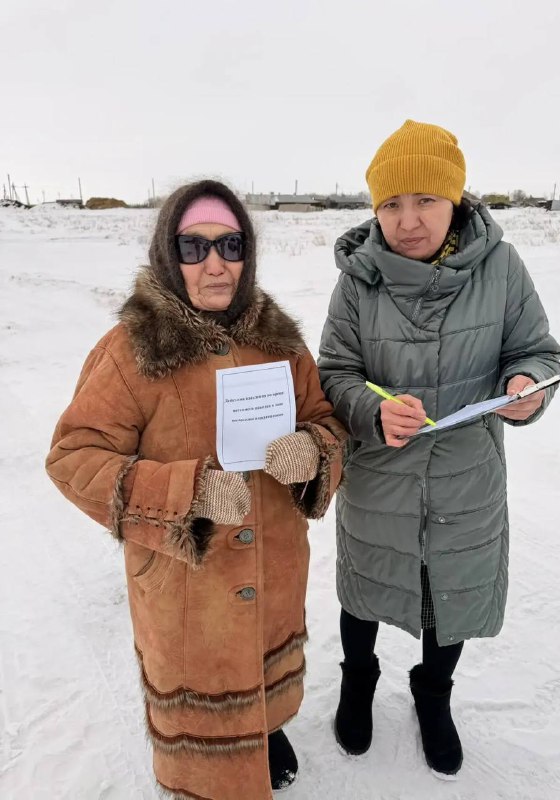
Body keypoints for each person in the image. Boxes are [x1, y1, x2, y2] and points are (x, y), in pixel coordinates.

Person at [46, 179, 345, 800]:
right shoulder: (132, 350)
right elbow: (74, 458)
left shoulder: (279, 341)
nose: (216, 264)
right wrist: (187, 494)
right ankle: (208, 767)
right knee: (203, 677)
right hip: (188, 583)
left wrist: (315, 450)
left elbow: (325, 418)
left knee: (264, 657)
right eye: (195, 247)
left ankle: (265, 727)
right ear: (169, 253)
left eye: (231, 246)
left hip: (274, 562)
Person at [318, 120, 560, 777]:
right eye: (390, 204)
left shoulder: (501, 267)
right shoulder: (357, 281)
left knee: (450, 590)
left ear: (454, 198)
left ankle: (433, 694)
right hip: (379, 474)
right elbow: (333, 374)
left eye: (425, 199)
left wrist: (526, 386)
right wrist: (371, 411)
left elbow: (534, 350)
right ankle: (358, 679)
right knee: (366, 583)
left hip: (466, 474)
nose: (408, 220)